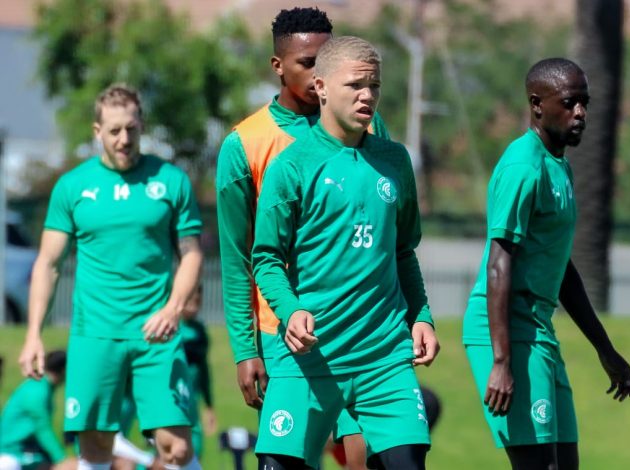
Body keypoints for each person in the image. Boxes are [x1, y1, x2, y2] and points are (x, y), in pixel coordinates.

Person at [252, 36, 439, 470]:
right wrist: (291, 309)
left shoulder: (395, 161)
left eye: (374, 85)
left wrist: (422, 316)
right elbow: (265, 259)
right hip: (309, 357)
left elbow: (403, 252)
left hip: (384, 359)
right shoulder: (292, 168)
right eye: (355, 85)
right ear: (320, 87)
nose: (367, 95)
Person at [215, 7, 388, 466]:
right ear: (278, 66)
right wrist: (245, 349)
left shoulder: (367, 128)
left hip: (364, 331)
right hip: (283, 334)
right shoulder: (245, 144)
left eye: (326, 61)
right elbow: (238, 258)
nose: (318, 75)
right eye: (306, 63)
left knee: (362, 450)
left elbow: (390, 240)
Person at [462, 58, 630, 470]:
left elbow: (563, 271)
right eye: (570, 102)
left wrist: (605, 349)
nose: (581, 113)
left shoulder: (558, 167)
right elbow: (498, 263)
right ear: (537, 105)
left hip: (539, 331)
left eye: (585, 103)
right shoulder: (524, 167)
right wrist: (502, 362)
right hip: (507, 331)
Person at [17, 84, 204, 470]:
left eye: (132, 129)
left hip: (157, 334)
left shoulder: (170, 181)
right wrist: (34, 333)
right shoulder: (73, 187)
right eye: (115, 130)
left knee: (177, 448)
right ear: (96, 131)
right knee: (96, 444)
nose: (124, 139)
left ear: (141, 127)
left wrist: (172, 310)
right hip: (94, 334)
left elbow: (191, 254)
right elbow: (48, 264)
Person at [0, 351, 78, 470]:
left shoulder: (41, 386)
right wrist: (61, 459)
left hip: (27, 450)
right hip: (12, 453)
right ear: (64, 370)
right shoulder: (37, 391)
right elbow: (43, 429)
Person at [179, 285, 217, 459]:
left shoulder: (200, 330)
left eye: (198, 301)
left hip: (193, 401)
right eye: (190, 301)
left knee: (195, 449)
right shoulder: (170, 326)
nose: (194, 306)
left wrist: (209, 406)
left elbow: (204, 370)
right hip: (172, 399)